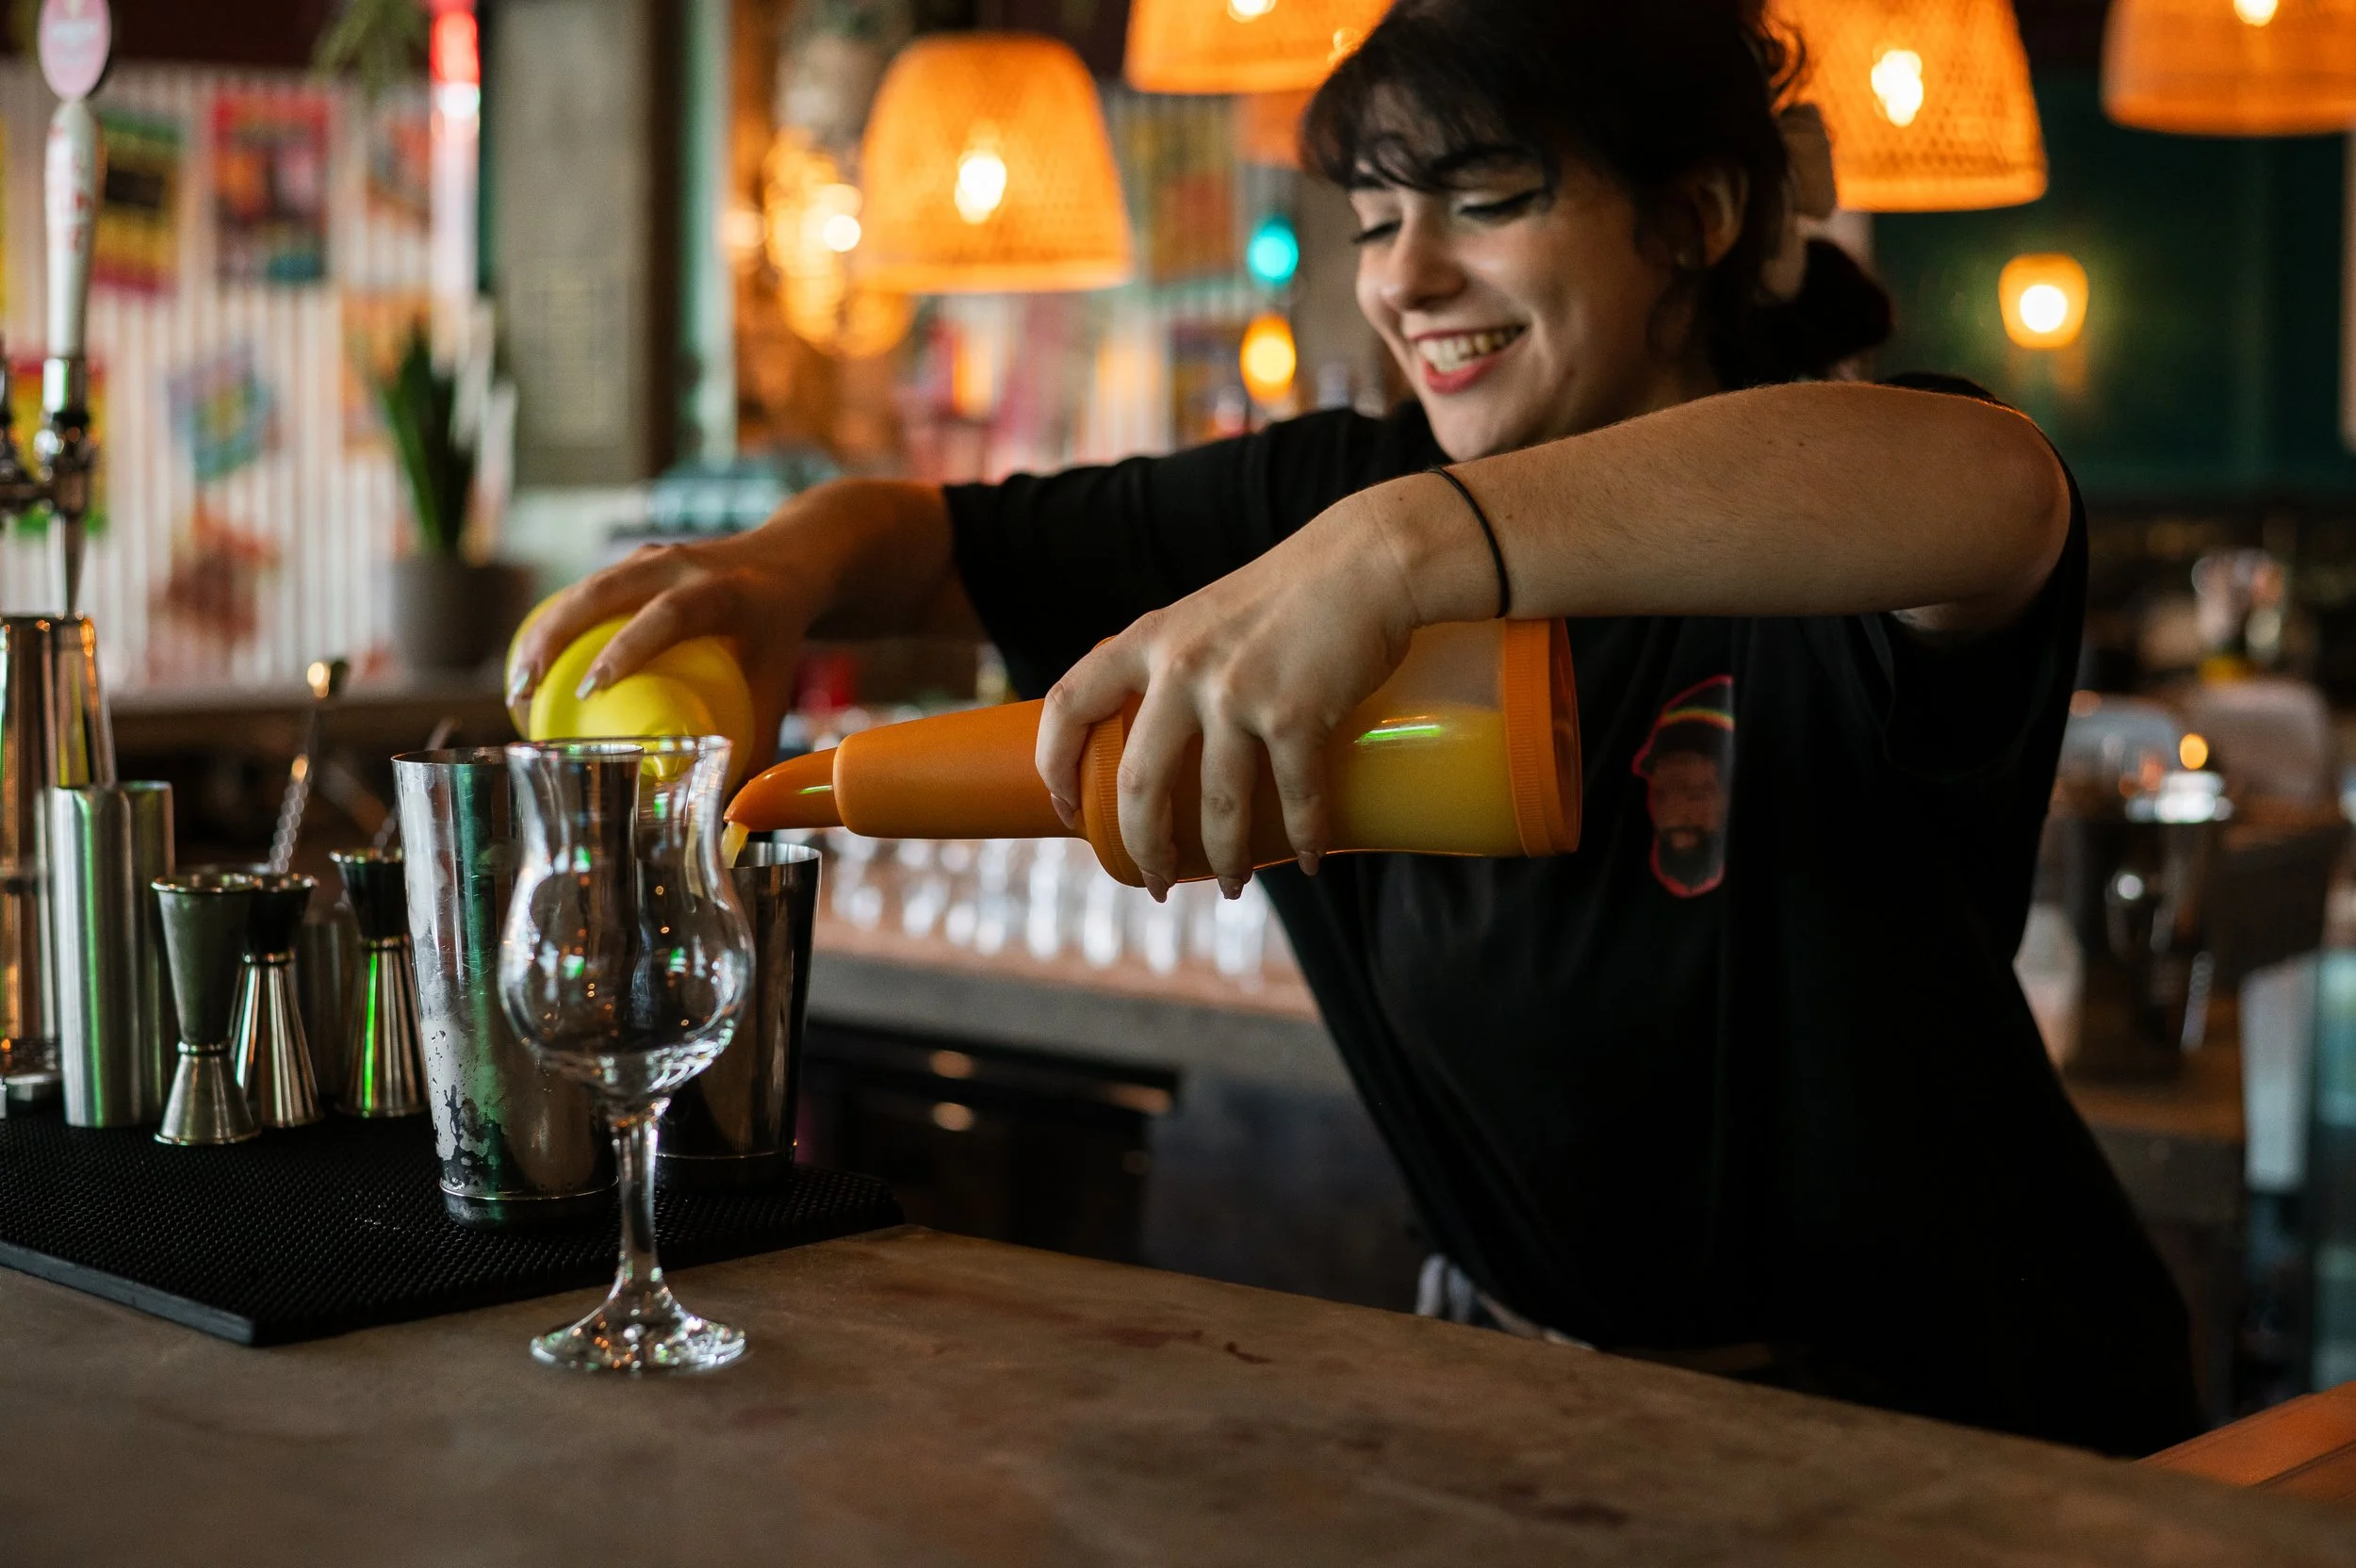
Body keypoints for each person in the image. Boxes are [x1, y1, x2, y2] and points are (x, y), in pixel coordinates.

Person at [512, 0, 2200, 1454]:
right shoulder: (1326, 491)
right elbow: (938, 537)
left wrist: (1402, 554)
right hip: (1560, 1426)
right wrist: (772, 574)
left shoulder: (1798, 501)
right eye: (1378, 219)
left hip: (1967, 1447)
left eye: (1490, 200)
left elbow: (1991, 484)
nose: (1411, 278)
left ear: (1691, 218)